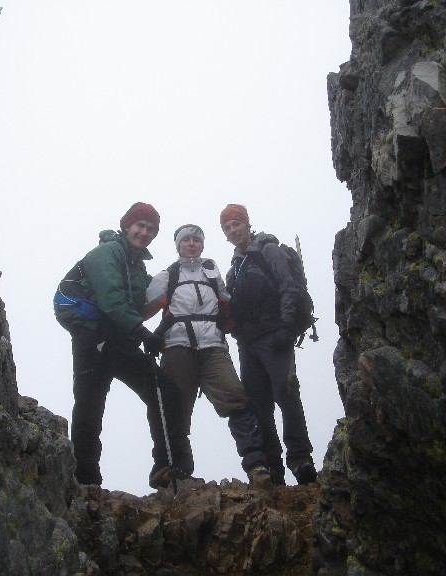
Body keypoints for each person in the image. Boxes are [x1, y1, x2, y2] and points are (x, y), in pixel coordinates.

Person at [69, 201, 200, 490]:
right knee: (90, 406)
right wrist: (143, 333)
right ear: (127, 225)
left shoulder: (137, 267)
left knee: (165, 393)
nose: (144, 232)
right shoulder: (106, 253)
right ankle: (84, 481)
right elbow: (111, 299)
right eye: (140, 225)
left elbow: (144, 302)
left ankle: (168, 467)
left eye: (151, 229)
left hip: (122, 342)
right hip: (93, 339)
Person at [143, 224, 270, 484]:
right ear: (178, 245)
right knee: (176, 409)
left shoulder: (212, 273)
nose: (191, 244)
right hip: (177, 345)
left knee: (235, 397)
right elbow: (143, 308)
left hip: (212, 346)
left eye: (196, 240)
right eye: (186, 240)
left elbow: (228, 306)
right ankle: (175, 471)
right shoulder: (168, 275)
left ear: (202, 244)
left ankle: (257, 465)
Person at [219, 204, 317, 486]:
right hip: (248, 344)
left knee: (286, 393)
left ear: (247, 224)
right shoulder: (234, 269)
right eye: (227, 228)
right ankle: (274, 467)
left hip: (274, 335)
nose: (233, 230)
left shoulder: (268, 250)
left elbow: (288, 287)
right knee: (259, 404)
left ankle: (300, 458)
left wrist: (286, 325)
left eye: (236, 224)